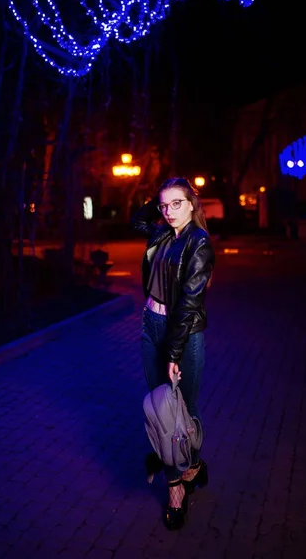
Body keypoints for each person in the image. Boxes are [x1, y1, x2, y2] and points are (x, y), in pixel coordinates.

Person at [131, 177, 215, 530]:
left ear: (193, 204)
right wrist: (162, 196)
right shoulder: (164, 233)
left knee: (182, 411)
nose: (168, 212)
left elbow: (189, 304)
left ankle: (177, 488)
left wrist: (174, 353)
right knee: (160, 405)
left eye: (177, 204)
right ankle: (192, 467)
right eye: (164, 206)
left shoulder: (199, 243)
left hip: (180, 333)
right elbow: (137, 218)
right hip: (152, 324)